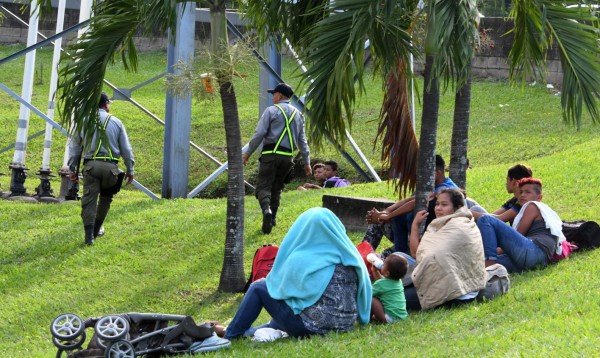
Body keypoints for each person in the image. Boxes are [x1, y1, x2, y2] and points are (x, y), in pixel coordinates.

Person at [223, 207, 372, 340]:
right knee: (286, 313)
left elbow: (279, 289)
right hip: (345, 325)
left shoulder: (302, 258)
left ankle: (231, 335)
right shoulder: (351, 256)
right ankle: (247, 331)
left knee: (259, 288)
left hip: (311, 329)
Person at [243, 83, 311, 234]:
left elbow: (259, 134)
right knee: (277, 188)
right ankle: (273, 218)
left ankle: (266, 211)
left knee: (263, 187)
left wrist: (247, 153)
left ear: (280, 95)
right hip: (287, 158)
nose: (272, 96)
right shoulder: (298, 115)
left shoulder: (271, 111)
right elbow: (302, 141)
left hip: (270, 155)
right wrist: (307, 162)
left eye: (274, 94)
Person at [68, 92, 135, 245]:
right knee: (106, 198)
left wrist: (73, 170)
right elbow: (126, 149)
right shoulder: (116, 122)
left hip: (91, 167)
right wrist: (130, 169)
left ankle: (88, 237)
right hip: (111, 169)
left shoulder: (83, 122)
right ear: (105, 104)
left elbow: (75, 148)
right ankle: (96, 230)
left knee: (89, 200)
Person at [404, 188, 486, 310]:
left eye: (444, 204)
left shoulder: (457, 226)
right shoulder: (465, 222)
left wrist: (415, 224)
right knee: (401, 258)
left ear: (457, 207)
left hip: (453, 295)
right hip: (467, 289)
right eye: (437, 204)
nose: (438, 208)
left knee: (392, 297)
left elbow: (416, 254)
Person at [362, 155, 458, 255]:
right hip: (407, 236)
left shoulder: (446, 189)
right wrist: (385, 213)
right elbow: (408, 200)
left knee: (386, 258)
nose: (420, 176)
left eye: (425, 173)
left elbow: (415, 203)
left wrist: (388, 216)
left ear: (437, 173)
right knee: (379, 221)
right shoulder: (428, 185)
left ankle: (399, 254)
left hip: (425, 241)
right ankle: (362, 256)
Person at [477, 178, 565, 273]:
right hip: (538, 261)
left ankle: (490, 268)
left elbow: (519, 234)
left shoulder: (532, 206)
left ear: (539, 197)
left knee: (485, 219)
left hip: (534, 252)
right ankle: (489, 264)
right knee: (476, 263)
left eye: (527, 192)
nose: (522, 195)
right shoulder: (542, 210)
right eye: (521, 192)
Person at [370, 254, 408, 324]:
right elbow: (383, 282)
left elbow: (368, 294)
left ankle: (383, 319)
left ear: (387, 273)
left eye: (384, 264)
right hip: (402, 316)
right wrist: (375, 272)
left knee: (372, 299)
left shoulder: (381, 284)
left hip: (391, 318)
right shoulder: (398, 281)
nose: (382, 264)